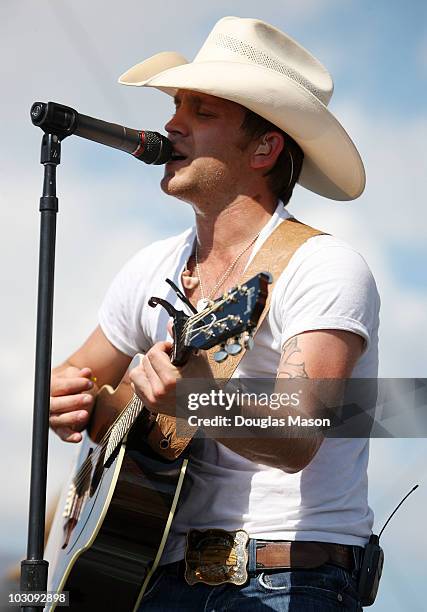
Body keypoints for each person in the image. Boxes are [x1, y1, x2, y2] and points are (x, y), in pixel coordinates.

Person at [49, 16, 380, 611]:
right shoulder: (152, 267)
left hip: (284, 579)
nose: (172, 124)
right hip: (150, 572)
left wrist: (191, 398)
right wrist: (74, 401)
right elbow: (87, 382)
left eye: (202, 113)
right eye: (177, 106)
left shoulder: (324, 266)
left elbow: (298, 433)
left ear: (263, 147)